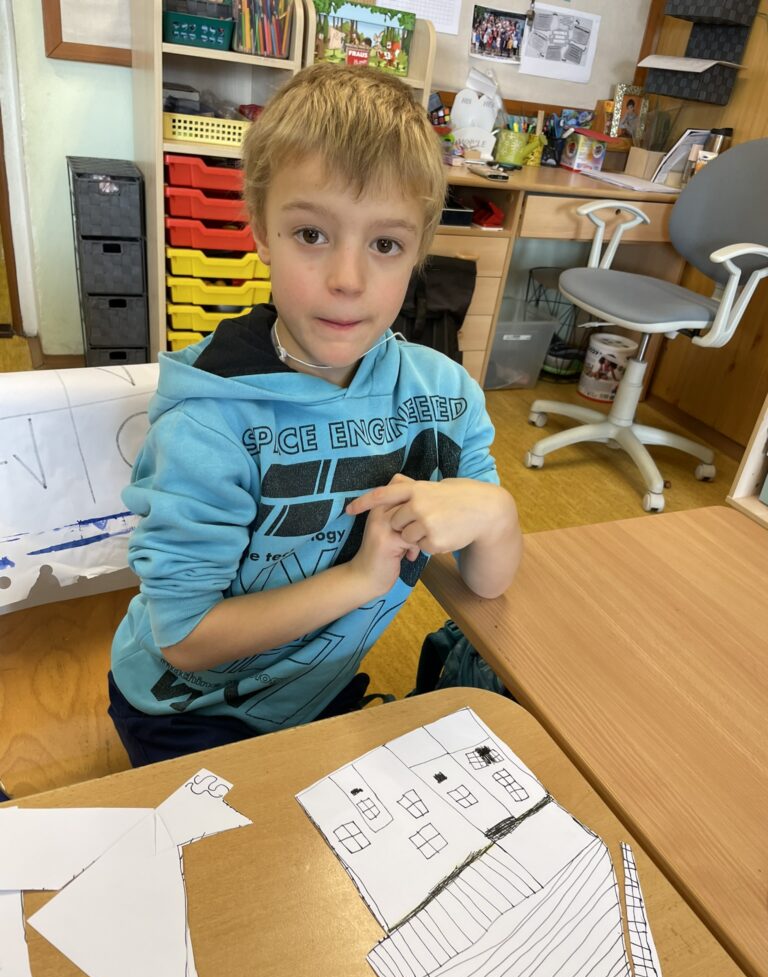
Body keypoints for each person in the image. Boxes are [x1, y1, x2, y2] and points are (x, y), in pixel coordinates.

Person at [108, 63, 523, 767]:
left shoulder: (444, 397)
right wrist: (361, 579)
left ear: (417, 252)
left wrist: (496, 512)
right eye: (310, 234)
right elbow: (183, 637)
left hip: (315, 692)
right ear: (262, 233)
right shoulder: (210, 421)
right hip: (189, 713)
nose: (347, 280)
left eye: (385, 244)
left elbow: (488, 580)